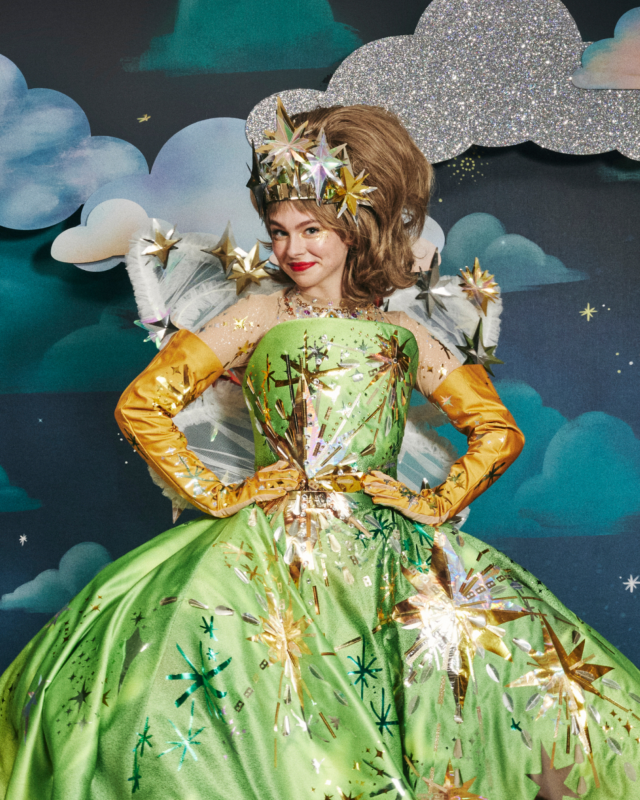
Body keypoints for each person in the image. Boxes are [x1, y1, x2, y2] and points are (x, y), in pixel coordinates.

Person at [1, 101, 639, 800]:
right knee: (257, 706)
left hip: (390, 555)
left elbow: (497, 428)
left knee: (490, 692)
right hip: (266, 553)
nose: (291, 248)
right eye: (278, 231)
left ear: (355, 227)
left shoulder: (404, 332)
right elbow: (143, 402)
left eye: (311, 229)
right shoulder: (256, 315)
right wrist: (217, 494)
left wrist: (437, 501)